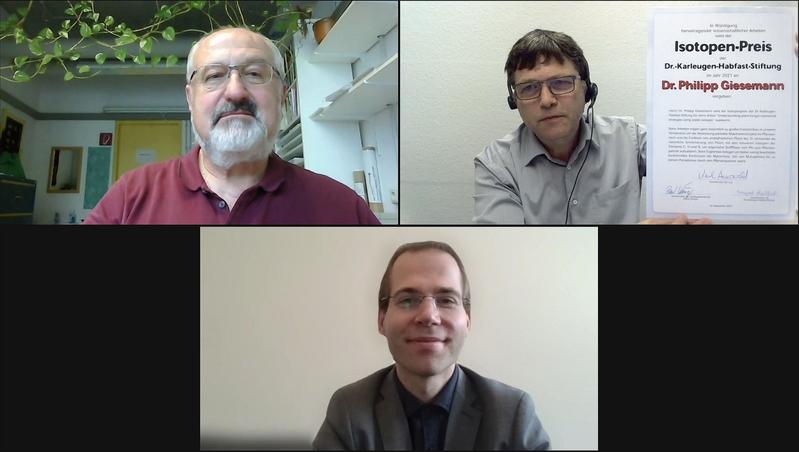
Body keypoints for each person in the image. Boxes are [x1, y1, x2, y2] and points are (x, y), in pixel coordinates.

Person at [85, 27, 379, 224]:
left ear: (283, 97)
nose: (235, 91)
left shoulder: (342, 208)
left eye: (254, 73)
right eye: (214, 76)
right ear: (190, 98)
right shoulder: (130, 197)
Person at [313, 241, 551, 450]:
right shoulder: (349, 410)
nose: (428, 315)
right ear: (381, 319)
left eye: (446, 300)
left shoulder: (512, 414)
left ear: (468, 320)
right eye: (408, 300)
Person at [474, 29, 713, 225]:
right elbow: (510, 251)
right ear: (514, 101)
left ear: (587, 91)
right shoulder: (496, 166)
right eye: (529, 88)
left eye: (561, 83)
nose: (547, 100)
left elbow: (701, 163)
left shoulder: (630, 140)